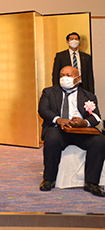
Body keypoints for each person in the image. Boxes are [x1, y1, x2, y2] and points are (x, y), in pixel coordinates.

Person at [38, 65, 105, 196]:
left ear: (78, 79)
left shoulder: (88, 96)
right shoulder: (49, 92)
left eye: (68, 75)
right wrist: (59, 120)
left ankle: (91, 183)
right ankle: (49, 179)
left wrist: (84, 123)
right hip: (58, 130)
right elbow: (43, 110)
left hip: (81, 132)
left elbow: (96, 117)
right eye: (62, 75)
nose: (64, 78)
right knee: (52, 138)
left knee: (100, 141)